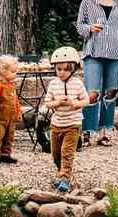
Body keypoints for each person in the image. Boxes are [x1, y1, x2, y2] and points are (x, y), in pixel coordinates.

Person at [74, 0, 118, 147]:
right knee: (92, 93)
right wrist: (90, 28)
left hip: (114, 53)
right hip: (94, 52)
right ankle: (88, 131)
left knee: (111, 91)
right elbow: (79, 26)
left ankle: (105, 130)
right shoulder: (88, 2)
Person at [42, 46, 89, 194]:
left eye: (65, 69)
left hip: (73, 124)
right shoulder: (53, 84)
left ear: (73, 69)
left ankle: (64, 179)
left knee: (66, 152)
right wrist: (56, 103)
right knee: (55, 154)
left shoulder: (77, 84)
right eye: (59, 69)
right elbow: (47, 102)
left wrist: (75, 104)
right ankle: (63, 173)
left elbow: (86, 100)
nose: (61, 72)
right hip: (56, 124)